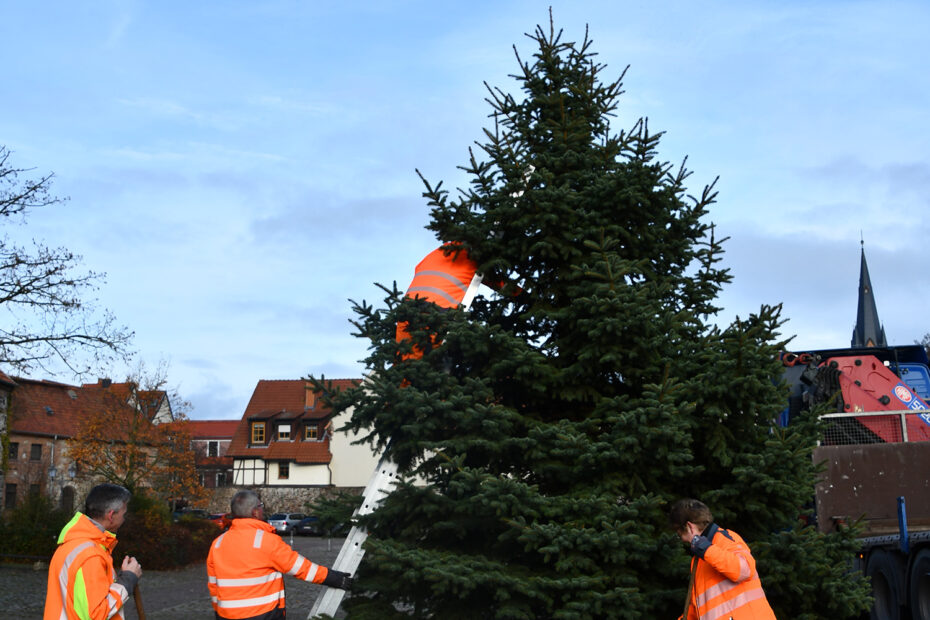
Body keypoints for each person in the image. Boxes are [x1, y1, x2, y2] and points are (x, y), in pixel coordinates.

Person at [207, 489, 353, 619]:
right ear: (255, 512)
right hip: (263, 614)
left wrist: (218, 612)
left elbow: (214, 586)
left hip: (225, 614)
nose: (262, 510)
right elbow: (301, 567)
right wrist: (334, 578)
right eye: (261, 506)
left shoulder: (217, 543)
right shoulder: (265, 540)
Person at [44, 483, 142, 620]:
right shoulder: (90, 554)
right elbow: (97, 614)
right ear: (111, 515)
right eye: (123, 514)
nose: (124, 519)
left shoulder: (74, 544)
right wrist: (128, 579)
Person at [669, 498, 776, 620]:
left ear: (689, 527)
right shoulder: (698, 560)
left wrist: (706, 549)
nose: (682, 540)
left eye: (680, 534)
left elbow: (744, 569)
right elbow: (699, 606)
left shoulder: (725, 538)